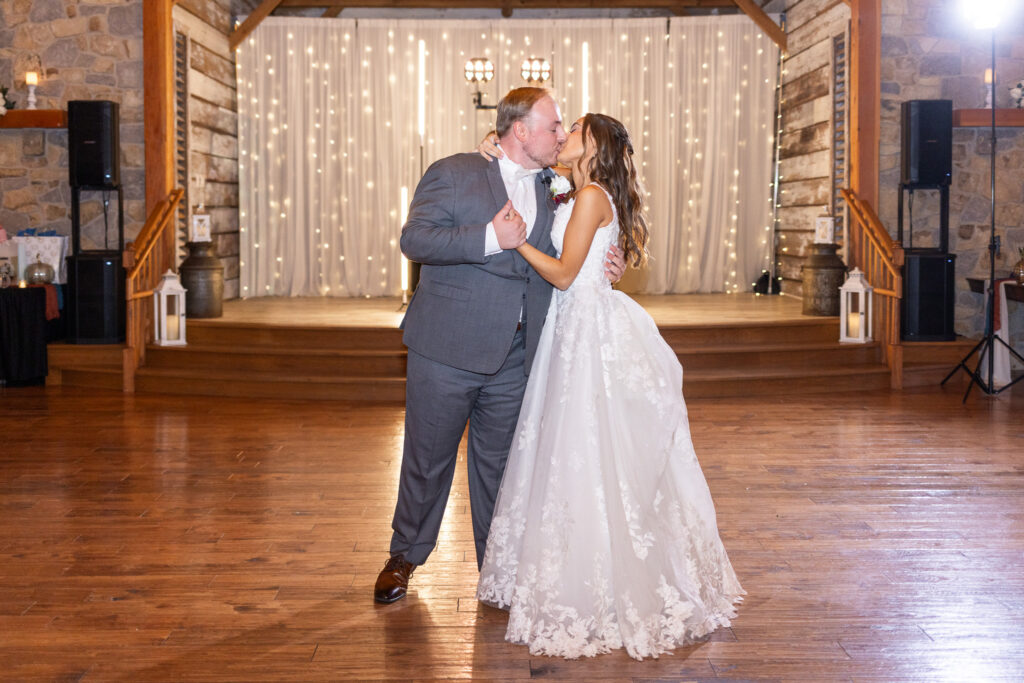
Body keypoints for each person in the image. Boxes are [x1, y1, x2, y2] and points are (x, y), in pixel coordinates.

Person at [475, 114, 745, 659]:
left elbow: (566, 273)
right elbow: (590, 257)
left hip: (586, 331)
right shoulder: (577, 191)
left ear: (593, 144)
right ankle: (580, 564)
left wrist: (518, 242)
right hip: (572, 329)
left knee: (587, 450)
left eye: (573, 129)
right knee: (576, 452)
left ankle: (599, 579)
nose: (564, 134)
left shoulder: (592, 193)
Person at [374, 88, 626, 604]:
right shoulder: (454, 170)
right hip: (446, 346)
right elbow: (415, 240)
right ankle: (405, 556)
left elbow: (578, 255)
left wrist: (611, 267)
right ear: (521, 131)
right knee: (427, 459)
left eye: (563, 129)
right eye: (554, 126)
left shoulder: (561, 186)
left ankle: (498, 573)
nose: (561, 134)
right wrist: (490, 237)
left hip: (518, 355)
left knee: (504, 470)